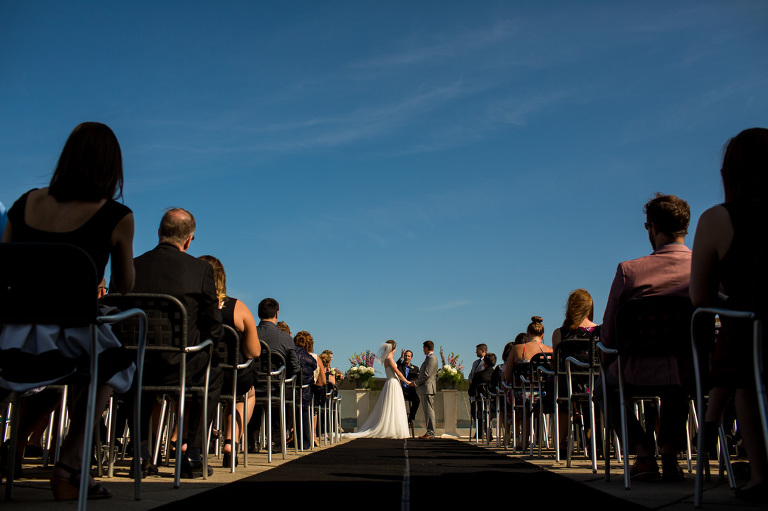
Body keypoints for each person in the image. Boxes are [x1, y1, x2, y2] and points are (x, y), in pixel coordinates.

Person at [0, 122, 135, 500]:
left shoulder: (25, 203)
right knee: (113, 366)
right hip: (70, 338)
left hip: (12, 337)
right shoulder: (117, 216)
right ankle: (69, 465)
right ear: (112, 168)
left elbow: (4, 261)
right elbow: (125, 285)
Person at [690, 127, 768, 501]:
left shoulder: (718, 219)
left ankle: (760, 473)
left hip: (753, 342)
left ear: (729, 174)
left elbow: (700, 296)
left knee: (746, 372)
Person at [598, 193, 692, 482]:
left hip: (637, 369)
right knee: (680, 376)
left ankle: (643, 453)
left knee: (603, 390)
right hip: (690, 370)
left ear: (651, 227)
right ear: (685, 227)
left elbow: (610, 335)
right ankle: (671, 453)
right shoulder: (704, 267)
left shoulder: (629, 271)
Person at [130, 207, 224, 478]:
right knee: (213, 373)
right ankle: (193, 454)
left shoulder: (133, 266)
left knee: (141, 382)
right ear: (188, 240)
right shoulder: (200, 270)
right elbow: (213, 325)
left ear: (159, 233)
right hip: (181, 364)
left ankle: (141, 453)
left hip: (137, 362)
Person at [198, 255, 261, 468]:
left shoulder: (188, 305)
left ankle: (181, 442)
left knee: (190, 392)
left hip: (196, 372)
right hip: (231, 375)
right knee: (246, 394)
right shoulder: (238, 308)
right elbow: (253, 351)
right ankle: (231, 442)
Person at [551, 289, 600, 453]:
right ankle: (601, 437)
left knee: (561, 387)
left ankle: (562, 441)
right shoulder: (600, 331)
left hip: (569, 387)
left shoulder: (560, 333)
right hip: (596, 385)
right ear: (589, 308)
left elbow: (555, 364)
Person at [253, 298, 300, 453]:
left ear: (259, 313)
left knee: (251, 396)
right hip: (276, 386)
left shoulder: (249, 334)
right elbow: (294, 366)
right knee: (284, 396)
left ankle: (250, 442)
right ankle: (277, 441)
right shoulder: (286, 338)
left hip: (253, 384)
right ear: (277, 314)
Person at [345, 340, 411, 439]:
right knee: (393, 406)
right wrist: (407, 382)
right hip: (393, 383)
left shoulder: (387, 359)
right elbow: (398, 372)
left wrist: (401, 358)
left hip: (391, 383)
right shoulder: (389, 359)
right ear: (393, 349)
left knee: (393, 406)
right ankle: (392, 429)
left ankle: (394, 428)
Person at [468, 353, 497, 439]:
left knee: (475, 408)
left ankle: (481, 429)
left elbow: (471, 392)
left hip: (480, 405)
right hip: (494, 404)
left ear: (484, 363)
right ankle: (486, 429)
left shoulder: (478, 375)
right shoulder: (496, 375)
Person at [414, 340, 439, 439]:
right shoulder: (429, 358)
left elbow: (427, 375)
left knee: (429, 410)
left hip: (428, 388)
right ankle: (429, 431)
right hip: (426, 388)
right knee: (427, 410)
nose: (423, 350)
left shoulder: (431, 358)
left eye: (423, 348)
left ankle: (431, 432)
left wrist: (416, 382)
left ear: (426, 348)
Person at [396, 348, 420, 428]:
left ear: (411, 358)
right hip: (401, 390)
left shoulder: (415, 368)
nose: (407, 357)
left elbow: (418, 378)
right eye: (405, 356)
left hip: (410, 390)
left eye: (408, 356)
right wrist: (401, 357)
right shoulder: (400, 365)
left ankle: (410, 420)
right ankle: (399, 421)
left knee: (417, 400)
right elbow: (396, 364)